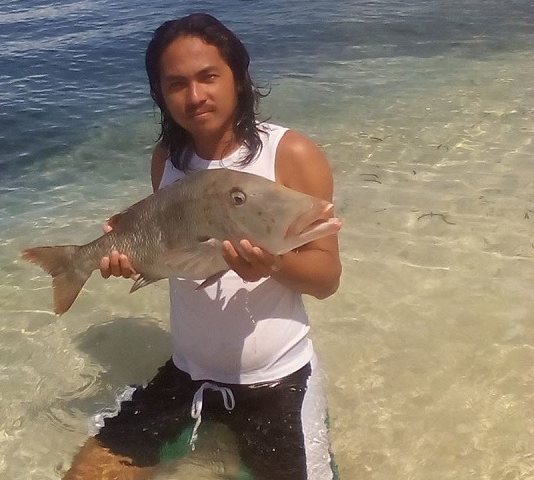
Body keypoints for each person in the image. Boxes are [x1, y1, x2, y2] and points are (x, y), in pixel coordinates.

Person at [63, 12, 341, 480]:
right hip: (187, 375)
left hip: (277, 381)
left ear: (238, 77)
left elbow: (327, 279)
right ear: (161, 94)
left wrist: (272, 266)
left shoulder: (291, 153)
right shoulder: (167, 161)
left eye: (208, 76)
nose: (195, 96)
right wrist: (131, 261)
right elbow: (169, 250)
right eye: (176, 84)